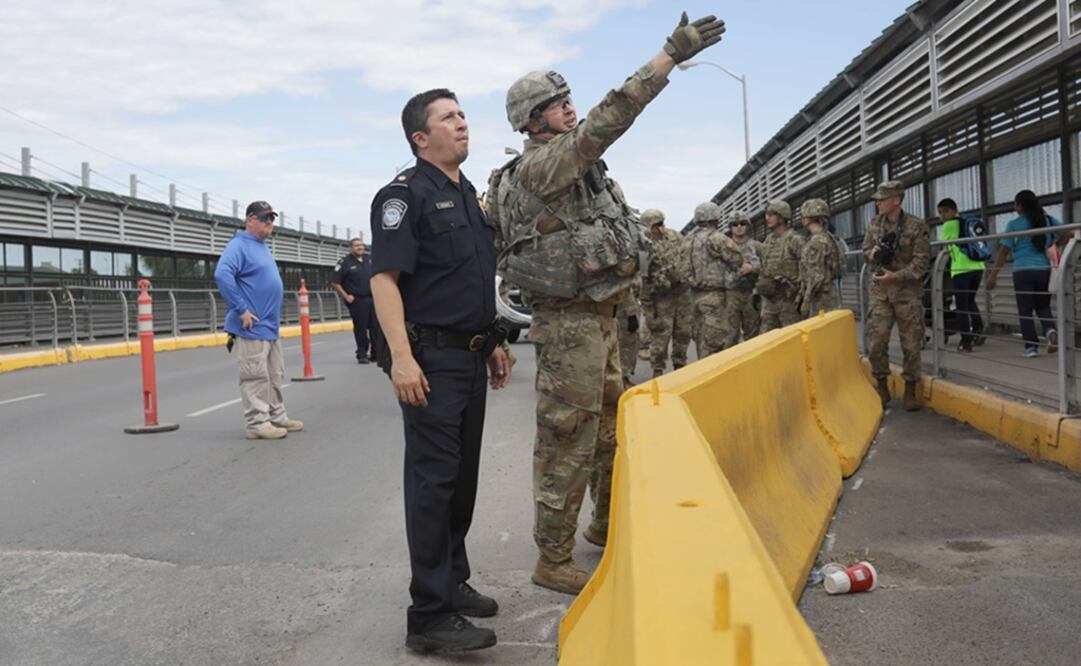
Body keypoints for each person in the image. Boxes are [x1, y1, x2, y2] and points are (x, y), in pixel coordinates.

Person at [492, 12, 726, 595]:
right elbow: (610, 118)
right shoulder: (543, 165)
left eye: (568, 99)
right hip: (569, 325)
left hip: (600, 319)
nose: (569, 108)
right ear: (532, 120)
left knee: (606, 433)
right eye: (557, 104)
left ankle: (603, 525)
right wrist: (667, 57)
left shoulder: (577, 167)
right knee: (566, 439)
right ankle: (553, 558)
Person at [369, 88, 511, 654]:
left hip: (469, 356)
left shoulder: (468, 195)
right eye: (448, 117)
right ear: (420, 138)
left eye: (463, 114)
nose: (462, 123)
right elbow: (384, 281)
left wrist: (491, 340)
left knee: (461, 482)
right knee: (433, 485)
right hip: (430, 363)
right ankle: (429, 616)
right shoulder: (404, 196)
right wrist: (401, 357)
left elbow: (472, 280)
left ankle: (452, 581)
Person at [214, 202, 303, 440]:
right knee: (255, 375)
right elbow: (222, 274)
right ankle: (257, 423)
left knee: (275, 374)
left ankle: (276, 416)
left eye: (272, 218)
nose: (269, 222)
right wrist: (241, 309)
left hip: (269, 326)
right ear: (250, 220)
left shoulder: (261, 246)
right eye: (264, 218)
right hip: (252, 325)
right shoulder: (239, 245)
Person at [862, 180, 931, 411]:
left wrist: (896, 276)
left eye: (882, 199)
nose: (878, 203)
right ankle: (882, 386)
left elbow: (921, 263)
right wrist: (872, 254)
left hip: (906, 293)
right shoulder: (874, 224)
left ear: (896, 200)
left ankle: (910, 390)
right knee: (876, 342)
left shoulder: (916, 226)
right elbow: (865, 252)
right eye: (877, 199)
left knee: (911, 344)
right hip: (880, 292)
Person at [985, 190, 1064, 357]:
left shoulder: (1014, 225)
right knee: (1043, 306)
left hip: (1022, 271)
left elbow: (1003, 252)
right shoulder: (1048, 220)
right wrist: (1054, 244)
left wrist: (993, 275)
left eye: (1015, 205)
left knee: (1025, 309)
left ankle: (1030, 347)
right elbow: (1068, 234)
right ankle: (1051, 332)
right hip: (1044, 270)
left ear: (1020, 206)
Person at [641, 208, 691, 377]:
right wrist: (648, 307)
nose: (661, 228)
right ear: (648, 227)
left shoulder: (675, 236)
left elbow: (687, 257)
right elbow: (643, 278)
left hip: (683, 293)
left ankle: (680, 365)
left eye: (662, 223)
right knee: (661, 334)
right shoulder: (643, 247)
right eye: (656, 226)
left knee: (683, 332)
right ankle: (657, 370)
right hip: (662, 297)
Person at [688, 201, 741, 357]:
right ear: (714, 218)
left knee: (700, 338)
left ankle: (702, 368)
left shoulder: (687, 240)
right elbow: (737, 258)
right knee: (715, 341)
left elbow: (682, 268)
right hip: (715, 297)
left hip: (694, 296)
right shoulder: (718, 238)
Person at [937, 198, 986, 352]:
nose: (942, 216)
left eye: (945, 211)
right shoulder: (967, 222)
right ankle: (978, 327)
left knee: (961, 306)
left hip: (961, 270)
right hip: (978, 267)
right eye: (940, 213)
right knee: (970, 300)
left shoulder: (948, 226)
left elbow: (943, 247)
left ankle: (966, 341)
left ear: (954, 210)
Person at [758, 200, 805, 332]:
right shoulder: (768, 241)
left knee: (792, 337)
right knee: (767, 338)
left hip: (789, 301)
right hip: (769, 301)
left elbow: (807, 268)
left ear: (782, 217)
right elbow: (764, 267)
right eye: (767, 214)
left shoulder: (795, 240)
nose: (767, 218)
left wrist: (800, 295)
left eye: (771, 214)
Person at [331, 238, 380, 364]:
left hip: (373, 298)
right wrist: (346, 296)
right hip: (358, 301)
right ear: (350, 248)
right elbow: (335, 282)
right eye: (357, 245)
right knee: (361, 328)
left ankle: (376, 353)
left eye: (361, 245)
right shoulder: (344, 262)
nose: (360, 247)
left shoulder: (370, 259)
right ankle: (362, 353)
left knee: (375, 327)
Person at [722, 210, 763, 347]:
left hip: (751, 295)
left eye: (742, 223)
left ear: (747, 225)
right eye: (735, 224)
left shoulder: (757, 246)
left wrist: (753, 268)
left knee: (753, 337)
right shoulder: (724, 247)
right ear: (730, 227)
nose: (739, 227)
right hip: (731, 296)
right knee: (730, 336)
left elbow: (769, 267)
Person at [798, 199, 843, 317]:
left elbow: (816, 275)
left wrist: (806, 300)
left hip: (821, 298)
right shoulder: (826, 237)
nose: (802, 219)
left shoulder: (817, 241)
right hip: (825, 294)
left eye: (804, 216)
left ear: (811, 216)